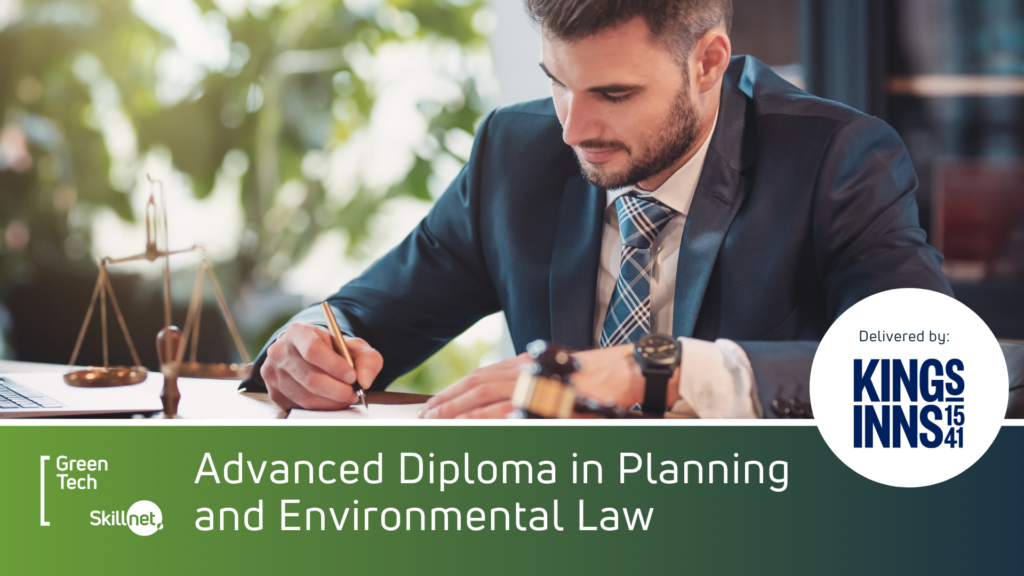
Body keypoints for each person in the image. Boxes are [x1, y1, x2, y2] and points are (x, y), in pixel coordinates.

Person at [241, 0, 951, 418]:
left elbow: (933, 377)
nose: (573, 130)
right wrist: (309, 344)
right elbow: (363, 316)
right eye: (558, 84)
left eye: (614, 95)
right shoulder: (515, 155)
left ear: (708, 63)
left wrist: (657, 371)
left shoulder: (837, 160)